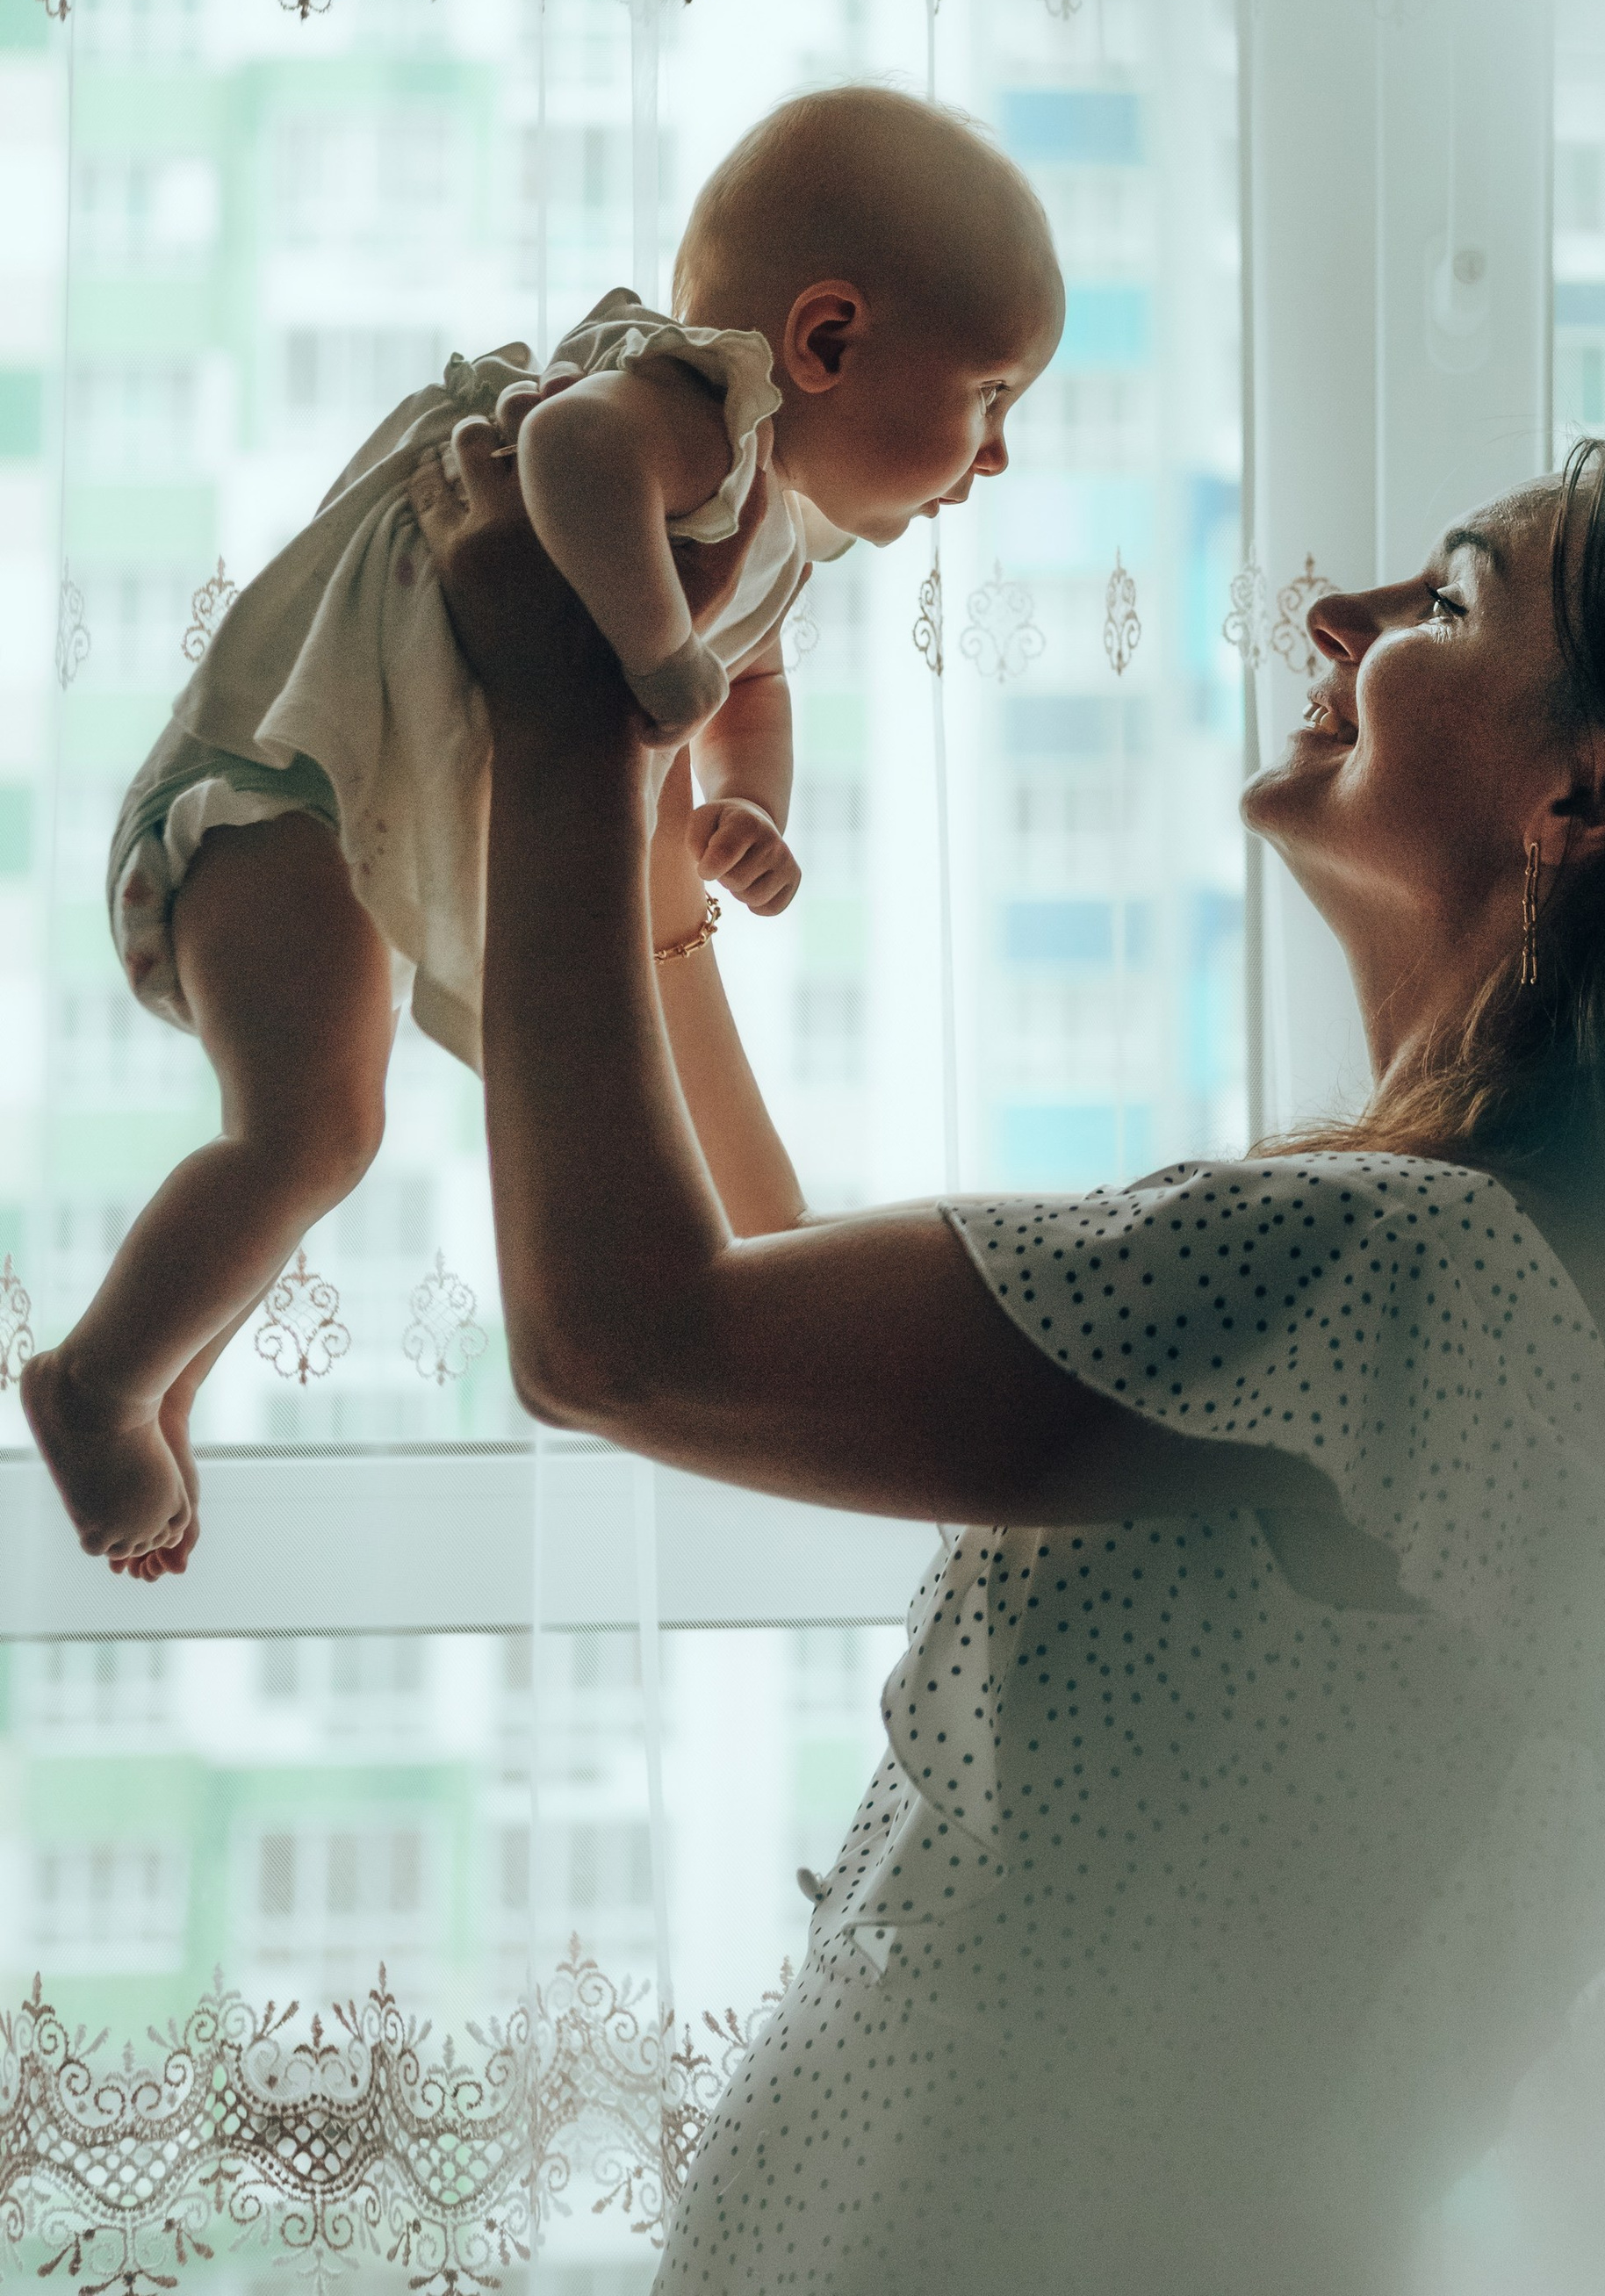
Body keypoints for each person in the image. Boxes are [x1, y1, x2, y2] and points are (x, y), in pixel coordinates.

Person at [414, 426, 1605, 2296]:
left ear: (1578, 797)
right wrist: (663, 897)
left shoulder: (1399, 1272)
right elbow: (772, 1317)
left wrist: (562, 711)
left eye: (1450, 596)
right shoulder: (1532, 1282)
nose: (1337, 613)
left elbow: (628, 1342)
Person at [24, 86, 1063, 1580]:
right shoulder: (697, 417)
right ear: (828, 342)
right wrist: (654, 660)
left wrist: (749, 802)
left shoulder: (768, 525)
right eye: (994, 397)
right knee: (314, 1131)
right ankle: (95, 1378)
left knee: (322, 1131)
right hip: (284, 780)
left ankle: (165, 1371)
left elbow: (747, 687)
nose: (996, 456)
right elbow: (574, 456)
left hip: (342, 804)